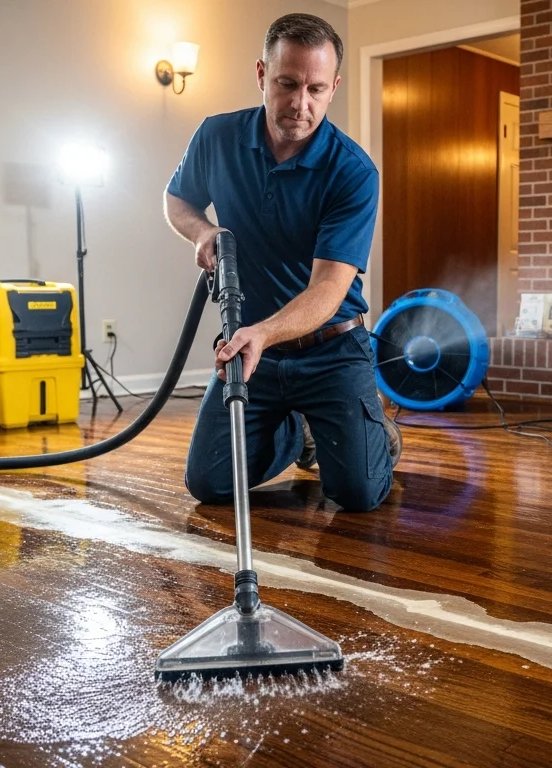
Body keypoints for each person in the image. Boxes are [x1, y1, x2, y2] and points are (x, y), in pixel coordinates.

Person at [165, 13, 400, 512]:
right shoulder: (216, 138)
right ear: (261, 75)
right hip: (256, 350)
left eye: (316, 88)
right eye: (287, 84)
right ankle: (299, 432)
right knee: (209, 484)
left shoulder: (353, 172)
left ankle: (377, 431)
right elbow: (178, 201)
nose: (300, 103)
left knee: (357, 494)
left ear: (334, 86)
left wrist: (265, 333)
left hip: (331, 348)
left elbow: (328, 290)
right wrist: (203, 231)